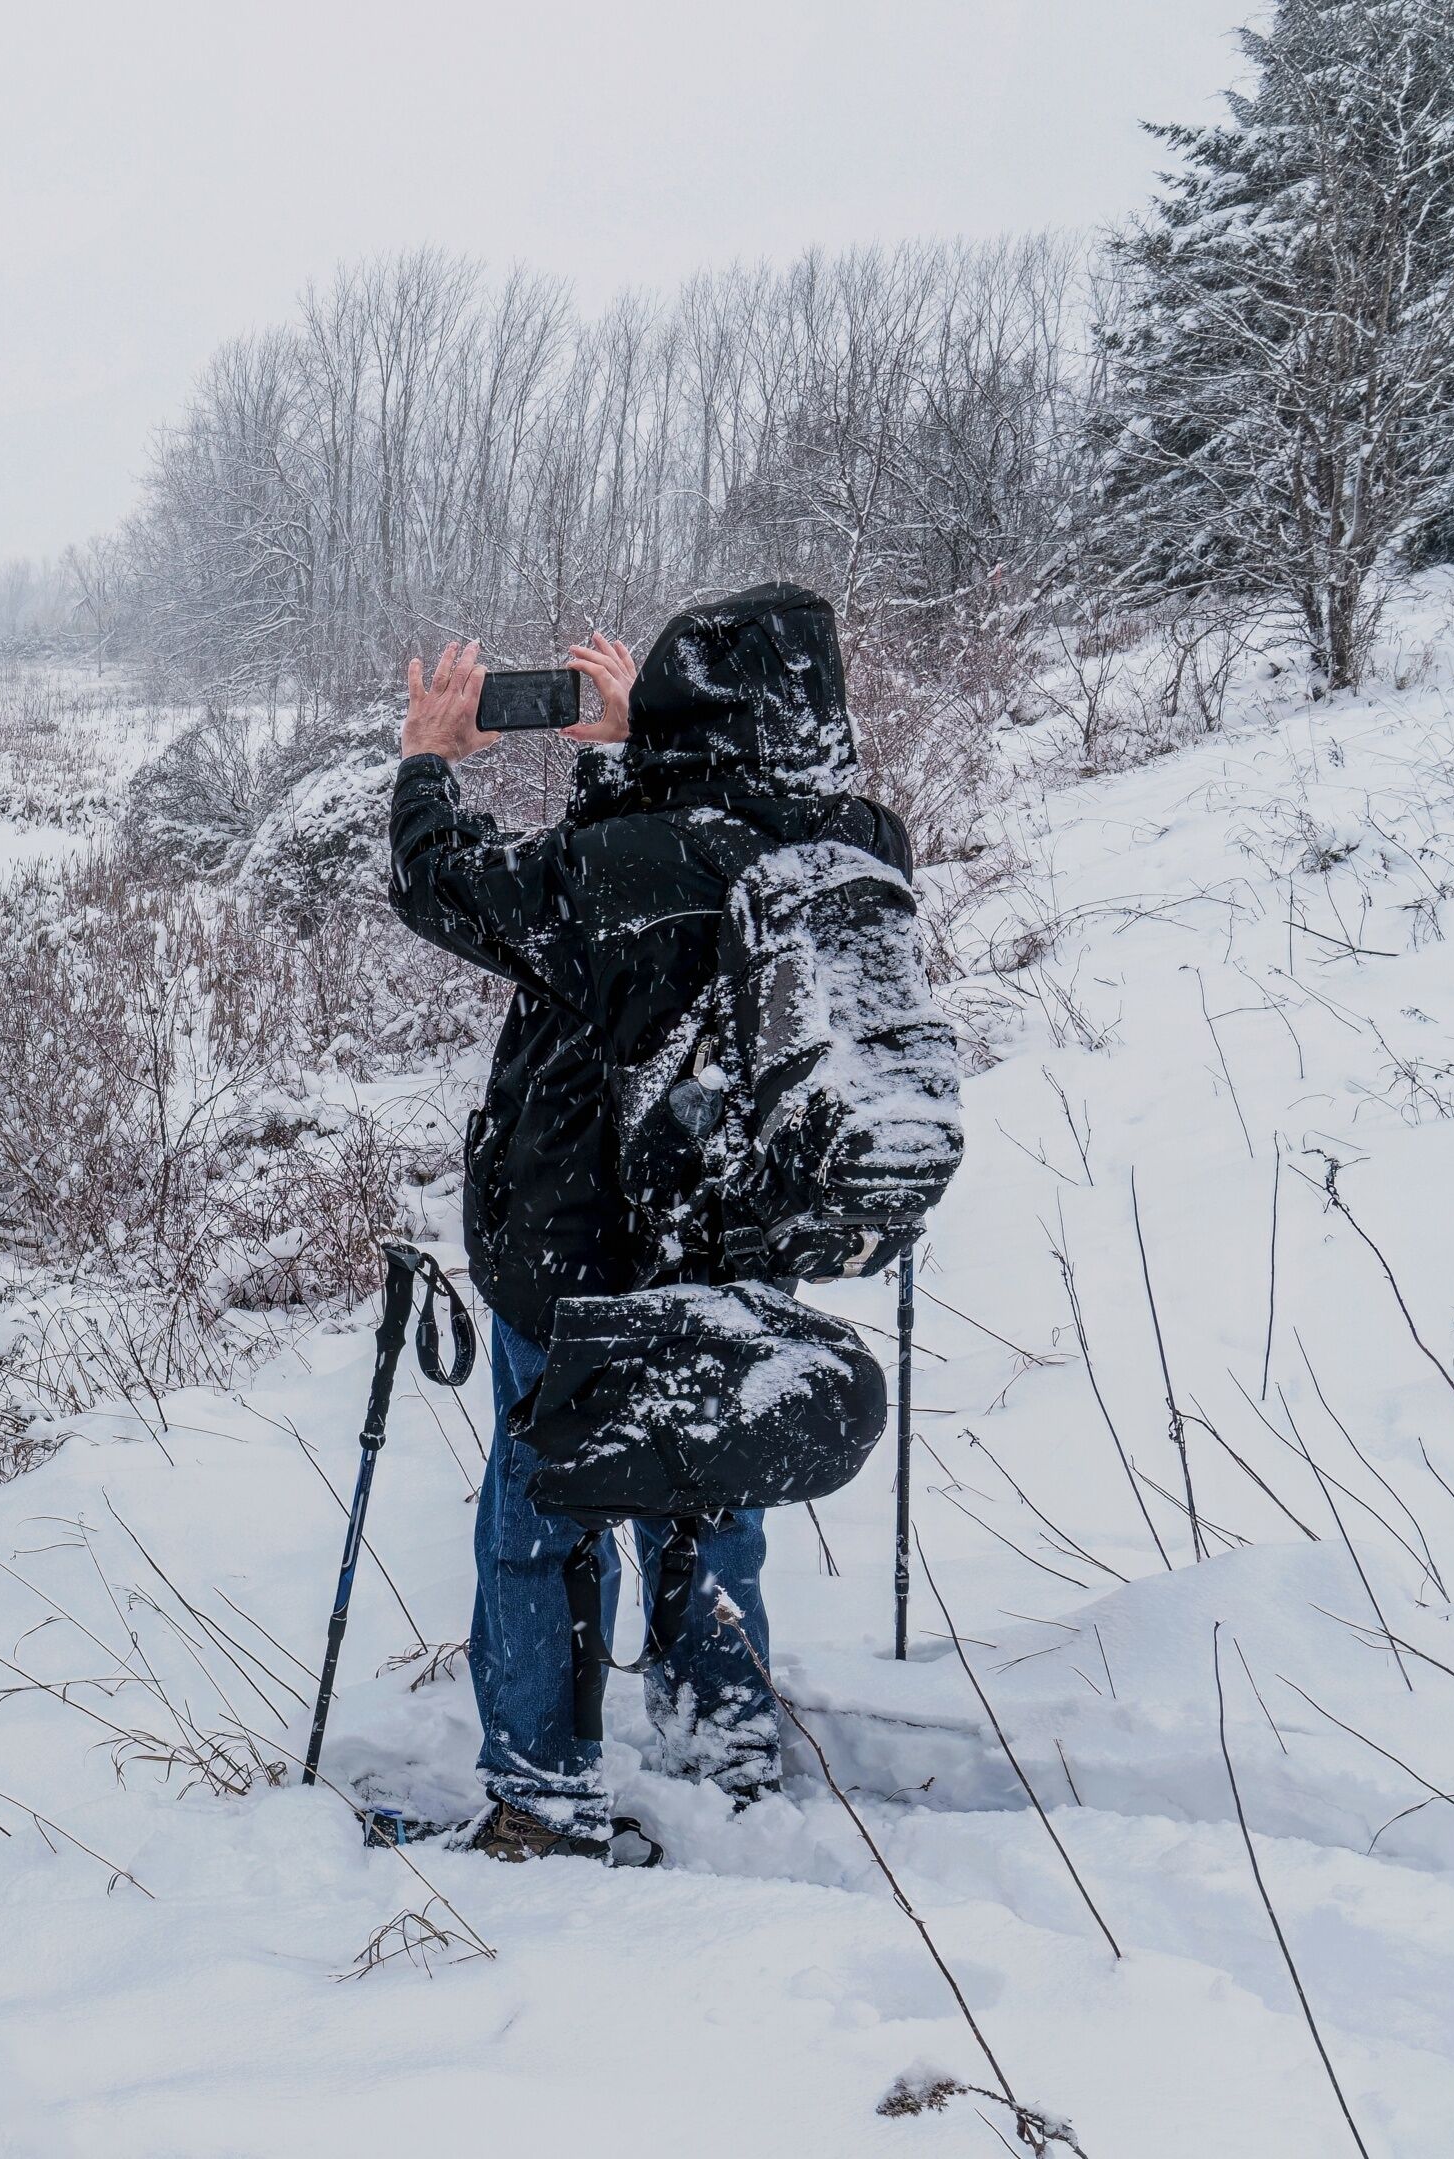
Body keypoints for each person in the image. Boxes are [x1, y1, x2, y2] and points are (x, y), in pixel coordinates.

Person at [384, 583, 911, 1862]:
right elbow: (689, 886)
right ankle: (723, 1755)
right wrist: (636, 757)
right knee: (710, 1490)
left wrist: (428, 765)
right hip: (742, 1245)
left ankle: (545, 1793)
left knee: (544, 1507)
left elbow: (444, 885)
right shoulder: (855, 845)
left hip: (575, 1251)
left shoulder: (633, 864)